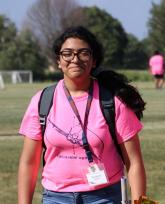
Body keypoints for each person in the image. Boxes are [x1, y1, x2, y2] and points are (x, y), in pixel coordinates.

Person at [18, 26, 146, 204]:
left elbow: (134, 162)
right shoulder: (41, 101)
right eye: (67, 53)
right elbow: (28, 163)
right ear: (58, 60)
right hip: (56, 197)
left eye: (83, 53)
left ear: (93, 60)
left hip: (104, 197)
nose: (75, 59)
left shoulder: (113, 101)